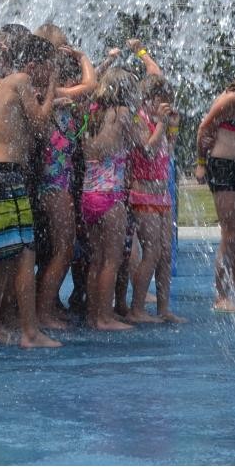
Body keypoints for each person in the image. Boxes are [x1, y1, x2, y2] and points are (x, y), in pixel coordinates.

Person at [0, 25, 60, 349]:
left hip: (0, 174)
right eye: (48, 69)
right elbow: (40, 125)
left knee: (7, 257)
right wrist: (50, 91)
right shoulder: (21, 81)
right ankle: (29, 333)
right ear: (34, 66)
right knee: (21, 255)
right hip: (3, 174)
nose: (51, 75)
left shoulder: (7, 85)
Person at [80, 65, 160, 331]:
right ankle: (105, 318)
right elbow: (147, 150)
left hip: (88, 195)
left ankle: (93, 316)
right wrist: (161, 125)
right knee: (112, 260)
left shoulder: (92, 114)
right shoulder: (125, 114)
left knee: (96, 259)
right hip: (111, 196)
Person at [34, 35, 95, 330]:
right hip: (52, 182)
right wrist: (83, 57)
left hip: (58, 181)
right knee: (62, 250)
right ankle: (43, 312)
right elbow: (90, 85)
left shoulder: (54, 95)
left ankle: (46, 308)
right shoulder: (46, 92)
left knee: (60, 249)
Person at [126, 76, 180, 324]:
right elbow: (147, 151)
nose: (165, 105)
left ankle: (163, 308)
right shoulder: (138, 119)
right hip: (143, 192)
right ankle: (137, 307)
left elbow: (166, 152)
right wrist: (159, 125)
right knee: (152, 251)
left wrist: (173, 129)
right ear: (151, 99)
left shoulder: (157, 121)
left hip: (162, 194)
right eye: (163, 100)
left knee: (166, 252)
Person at [195, 74, 235, 311]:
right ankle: (220, 295)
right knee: (230, 233)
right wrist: (200, 163)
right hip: (223, 165)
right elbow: (203, 128)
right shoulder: (229, 100)